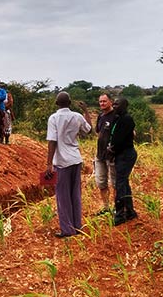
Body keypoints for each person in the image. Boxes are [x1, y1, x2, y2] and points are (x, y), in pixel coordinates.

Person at [45, 92, 92, 237]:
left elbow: (52, 141)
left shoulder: (53, 118)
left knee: (62, 196)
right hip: (75, 159)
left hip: (61, 162)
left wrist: (48, 164)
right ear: (70, 102)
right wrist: (85, 111)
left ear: (56, 103)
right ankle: (77, 226)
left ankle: (67, 230)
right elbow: (89, 130)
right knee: (75, 194)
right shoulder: (77, 116)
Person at [109, 97, 138, 225]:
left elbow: (120, 140)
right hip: (120, 154)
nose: (114, 106)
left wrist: (112, 150)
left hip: (126, 154)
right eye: (114, 104)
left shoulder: (127, 119)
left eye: (117, 104)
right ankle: (130, 212)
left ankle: (120, 215)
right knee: (124, 182)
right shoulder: (117, 118)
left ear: (125, 106)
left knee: (120, 183)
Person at [94, 93, 117, 215]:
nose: (102, 104)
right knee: (101, 182)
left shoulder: (116, 116)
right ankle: (106, 207)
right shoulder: (101, 116)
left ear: (111, 101)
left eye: (104, 101)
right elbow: (98, 132)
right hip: (100, 155)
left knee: (115, 183)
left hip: (112, 156)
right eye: (100, 102)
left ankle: (116, 208)